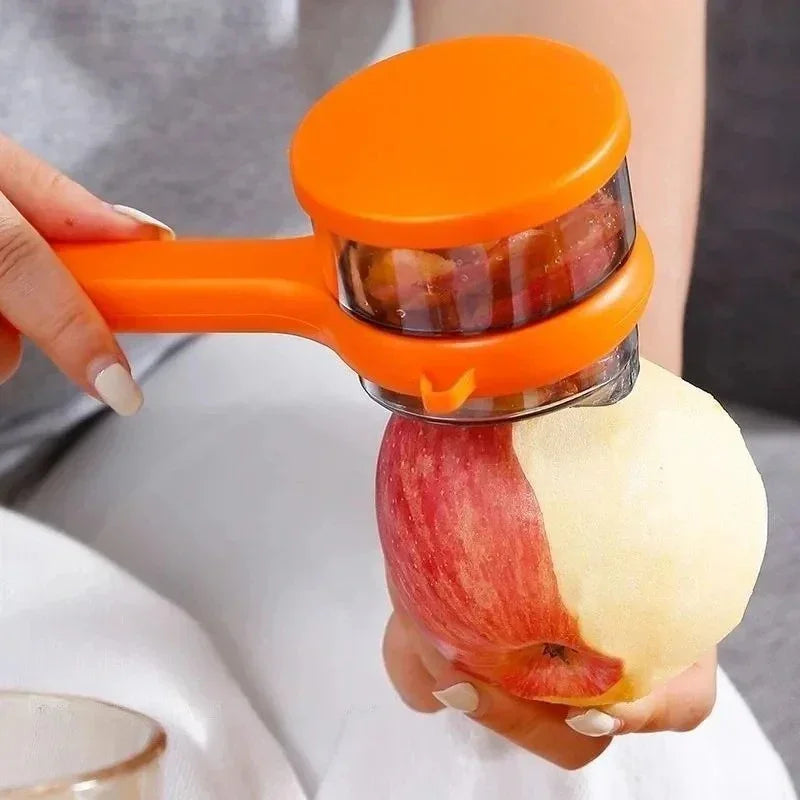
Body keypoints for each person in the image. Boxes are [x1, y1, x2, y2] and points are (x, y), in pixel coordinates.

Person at [0, 1, 793, 796]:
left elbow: (529, 70)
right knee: (109, 753)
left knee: (574, 765)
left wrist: (622, 488)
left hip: (187, 365)